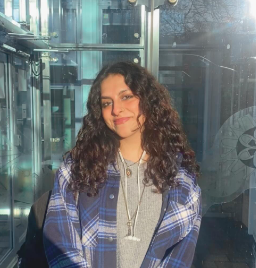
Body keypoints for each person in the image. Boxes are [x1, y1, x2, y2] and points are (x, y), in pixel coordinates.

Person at [43, 61, 202, 268]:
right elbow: (60, 239)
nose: (116, 109)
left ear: (148, 100)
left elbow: (182, 253)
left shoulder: (181, 177)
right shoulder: (78, 169)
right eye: (106, 103)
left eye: (126, 97)